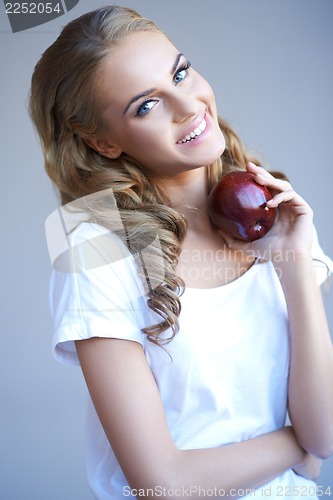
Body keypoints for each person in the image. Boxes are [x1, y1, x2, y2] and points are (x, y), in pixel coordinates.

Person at [29, 5, 333, 499]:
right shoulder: (93, 245)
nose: (189, 106)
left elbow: (324, 434)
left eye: (181, 72)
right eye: (146, 105)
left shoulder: (270, 203)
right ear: (103, 143)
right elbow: (161, 484)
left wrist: (293, 265)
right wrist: (294, 448)